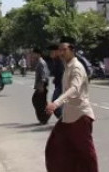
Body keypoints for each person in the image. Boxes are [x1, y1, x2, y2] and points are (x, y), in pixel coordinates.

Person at [45, 38, 97, 172]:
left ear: (72, 51)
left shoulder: (76, 68)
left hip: (80, 116)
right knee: (55, 148)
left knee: (86, 154)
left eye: (64, 50)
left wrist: (56, 103)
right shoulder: (67, 67)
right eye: (60, 50)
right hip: (68, 116)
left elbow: (74, 89)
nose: (61, 53)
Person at [32, 48, 50, 124]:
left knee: (38, 102)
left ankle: (44, 117)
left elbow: (44, 75)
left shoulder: (41, 63)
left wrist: (42, 86)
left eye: (34, 54)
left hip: (41, 86)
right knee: (38, 101)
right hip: (40, 86)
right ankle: (43, 118)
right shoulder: (39, 62)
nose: (33, 55)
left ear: (38, 54)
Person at [48, 44, 64, 119]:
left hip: (62, 86)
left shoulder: (61, 60)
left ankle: (64, 121)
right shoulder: (57, 60)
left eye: (53, 51)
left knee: (55, 105)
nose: (51, 53)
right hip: (59, 85)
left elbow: (62, 73)